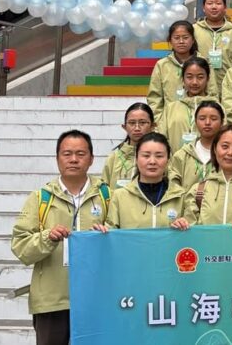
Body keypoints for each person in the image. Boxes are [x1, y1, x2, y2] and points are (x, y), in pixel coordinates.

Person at [11, 130, 109, 345]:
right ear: (57, 159)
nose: (74, 159)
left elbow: (123, 239)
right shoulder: (40, 198)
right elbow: (21, 248)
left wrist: (107, 234)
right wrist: (47, 237)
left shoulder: (107, 196)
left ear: (91, 159)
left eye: (80, 154)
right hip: (52, 301)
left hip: (98, 299)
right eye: (67, 154)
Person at [93, 132, 192, 231]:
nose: (152, 161)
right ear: (136, 159)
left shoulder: (181, 196)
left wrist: (184, 226)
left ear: (168, 160)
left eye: (159, 156)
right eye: (146, 156)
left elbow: (193, 236)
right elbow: (111, 233)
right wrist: (99, 233)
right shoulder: (120, 197)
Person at [157, 57, 217, 151]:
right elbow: (161, 141)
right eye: (189, 77)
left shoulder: (217, 108)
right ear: (182, 79)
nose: (194, 82)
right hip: (176, 164)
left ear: (208, 79)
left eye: (200, 77)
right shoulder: (171, 108)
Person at [147, 21, 200, 121]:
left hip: (197, 120)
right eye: (176, 38)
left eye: (185, 37)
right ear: (170, 41)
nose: (181, 41)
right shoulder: (162, 65)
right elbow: (154, 98)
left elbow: (212, 93)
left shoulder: (203, 63)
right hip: (169, 121)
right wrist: (160, 121)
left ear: (193, 40)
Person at [194, 0, 232, 93]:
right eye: (210, 3)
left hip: (228, 87)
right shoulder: (194, 30)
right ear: (203, 7)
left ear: (225, 8)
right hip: (201, 88)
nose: (214, 7)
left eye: (218, 3)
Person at [169, 100, 224, 189]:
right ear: (195, 121)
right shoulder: (182, 155)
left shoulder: (228, 154)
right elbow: (174, 188)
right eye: (202, 118)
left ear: (222, 122)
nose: (207, 123)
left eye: (213, 119)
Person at [100, 103, 154, 189]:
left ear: (153, 126)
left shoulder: (160, 157)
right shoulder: (114, 158)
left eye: (142, 122)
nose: (137, 128)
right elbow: (104, 191)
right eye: (132, 123)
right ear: (124, 127)